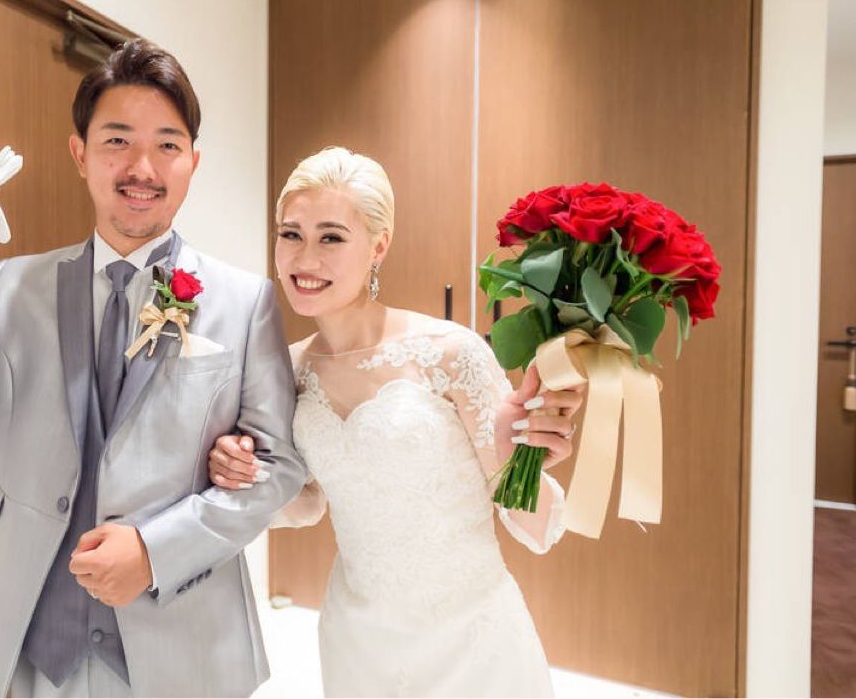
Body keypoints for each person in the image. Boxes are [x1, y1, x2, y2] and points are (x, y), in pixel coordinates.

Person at [0, 39, 308, 698]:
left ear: (193, 161)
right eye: (116, 141)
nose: (141, 167)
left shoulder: (245, 302)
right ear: (80, 154)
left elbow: (277, 470)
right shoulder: (12, 288)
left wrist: (157, 552)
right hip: (29, 638)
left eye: (167, 144)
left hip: (181, 640)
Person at [207, 147, 584, 697]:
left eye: (331, 237)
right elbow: (307, 503)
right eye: (291, 234)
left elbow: (539, 532)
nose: (305, 259)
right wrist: (242, 476)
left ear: (378, 246)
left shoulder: (451, 353)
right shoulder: (285, 370)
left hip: (471, 642)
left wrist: (515, 455)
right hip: (357, 640)